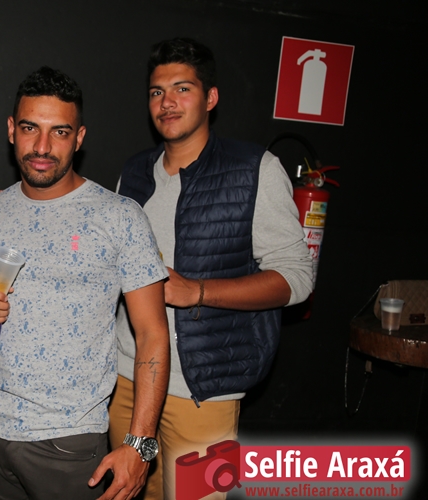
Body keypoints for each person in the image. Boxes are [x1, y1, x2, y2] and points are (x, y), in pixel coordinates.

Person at [0, 66, 171, 500]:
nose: (42, 147)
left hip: (70, 442)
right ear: (11, 130)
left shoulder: (120, 217)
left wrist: (140, 445)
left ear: (79, 137)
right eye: (30, 128)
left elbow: (152, 335)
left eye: (60, 132)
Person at [109, 38, 313, 499]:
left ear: (211, 97)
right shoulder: (134, 173)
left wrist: (197, 291)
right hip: (127, 382)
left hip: (204, 391)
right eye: (157, 92)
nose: (167, 102)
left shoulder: (253, 169)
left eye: (182, 89)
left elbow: (298, 279)